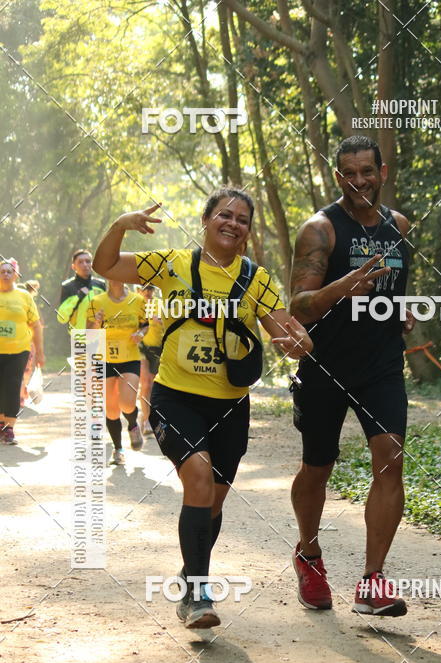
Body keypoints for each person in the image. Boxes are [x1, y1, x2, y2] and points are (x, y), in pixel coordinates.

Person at [92, 187, 313, 629]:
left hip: (230, 405)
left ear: (248, 232)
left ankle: (190, 570)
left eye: (242, 219)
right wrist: (120, 225)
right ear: (206, 220)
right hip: (176, 396)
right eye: (224, 215)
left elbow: (288, 336)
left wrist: (298, 343)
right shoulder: (171, 263)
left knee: (211, 501)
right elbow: (105, 265)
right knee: (196, 476)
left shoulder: (256, 279)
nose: (233, 223)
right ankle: (196, 593)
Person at [289, 135, 414, 617]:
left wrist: (401, 310)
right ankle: (309, 554)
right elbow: (298, 305)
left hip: (381, 366)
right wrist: (341, 287)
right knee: (317, 467)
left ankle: (372, 579)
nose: (359, 181)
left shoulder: (398, 226)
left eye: (367, 171)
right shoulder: (320, 230)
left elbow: (395, 289)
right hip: (325, 365)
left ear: (383, 172)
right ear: (337, 176)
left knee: (391, 461)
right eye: (349, 173)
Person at [87, 281, 147, 464]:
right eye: (110, 276)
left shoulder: (137, 300)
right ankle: (118, 450)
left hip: (129, 357)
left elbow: (145, 324)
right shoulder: (96, 301)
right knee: (112, 410)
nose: (114, 278)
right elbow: (89, 333)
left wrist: (141, 334)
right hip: (104, 358)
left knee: (127, 404)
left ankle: (133, 424)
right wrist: (97, 321)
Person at [0, 259, 44, 444]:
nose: (5, 274)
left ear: (16, 275)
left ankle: (9, 428)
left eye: (9, 271)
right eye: (2, 271)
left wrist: (40, 351)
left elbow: (35, 324)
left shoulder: (24, 296)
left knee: (12, 386)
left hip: (18, 350)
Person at [137, 283, 163, 435]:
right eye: (144, 288)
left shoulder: (160, 304)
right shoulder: (134, 303)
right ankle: (146, 420)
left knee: (153, 385)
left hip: (157, 348)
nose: (148, 291)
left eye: (151, 288)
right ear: (138, 290)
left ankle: (147, 416)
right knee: (145, 383)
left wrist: (161, 320)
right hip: (140, 348)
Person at [57, 249, 105, 330]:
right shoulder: (68, 286)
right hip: (79, 335)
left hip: (99, 334)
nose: (85, 264)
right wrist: (78, 298)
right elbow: (62, 318)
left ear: (92, 264)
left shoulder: (100, 284)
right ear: (73, 266)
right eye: (80, 262)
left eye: (88, 261)